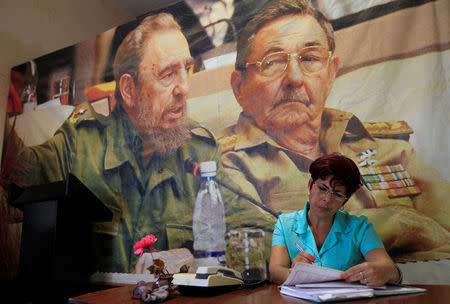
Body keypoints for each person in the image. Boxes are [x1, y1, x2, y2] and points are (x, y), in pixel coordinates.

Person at [8, 13, 275, 273]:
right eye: (168, 74)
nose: (184, 87)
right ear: (129, 89)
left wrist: (196, 259)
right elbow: (14, 173)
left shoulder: (199, 151)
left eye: (187, 69)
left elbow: (266, 235)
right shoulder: (80, 145)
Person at [218, 0, 449, 260]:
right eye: (272, 62)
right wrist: (396, 223)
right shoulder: (223, 164)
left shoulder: (387, 146)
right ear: (239, 87)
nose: (294, 78)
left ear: (331, 72)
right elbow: (255, 251)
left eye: (310, 59)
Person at [269, 153, 402, 286]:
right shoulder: (285, 224)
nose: (327, 199)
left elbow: (390, 270)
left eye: (337, 194)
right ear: (310, 185)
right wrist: (295, 273)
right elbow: (275, 272)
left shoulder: (360, 228)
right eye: (322, 188)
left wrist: (385, 272)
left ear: (346, 199)